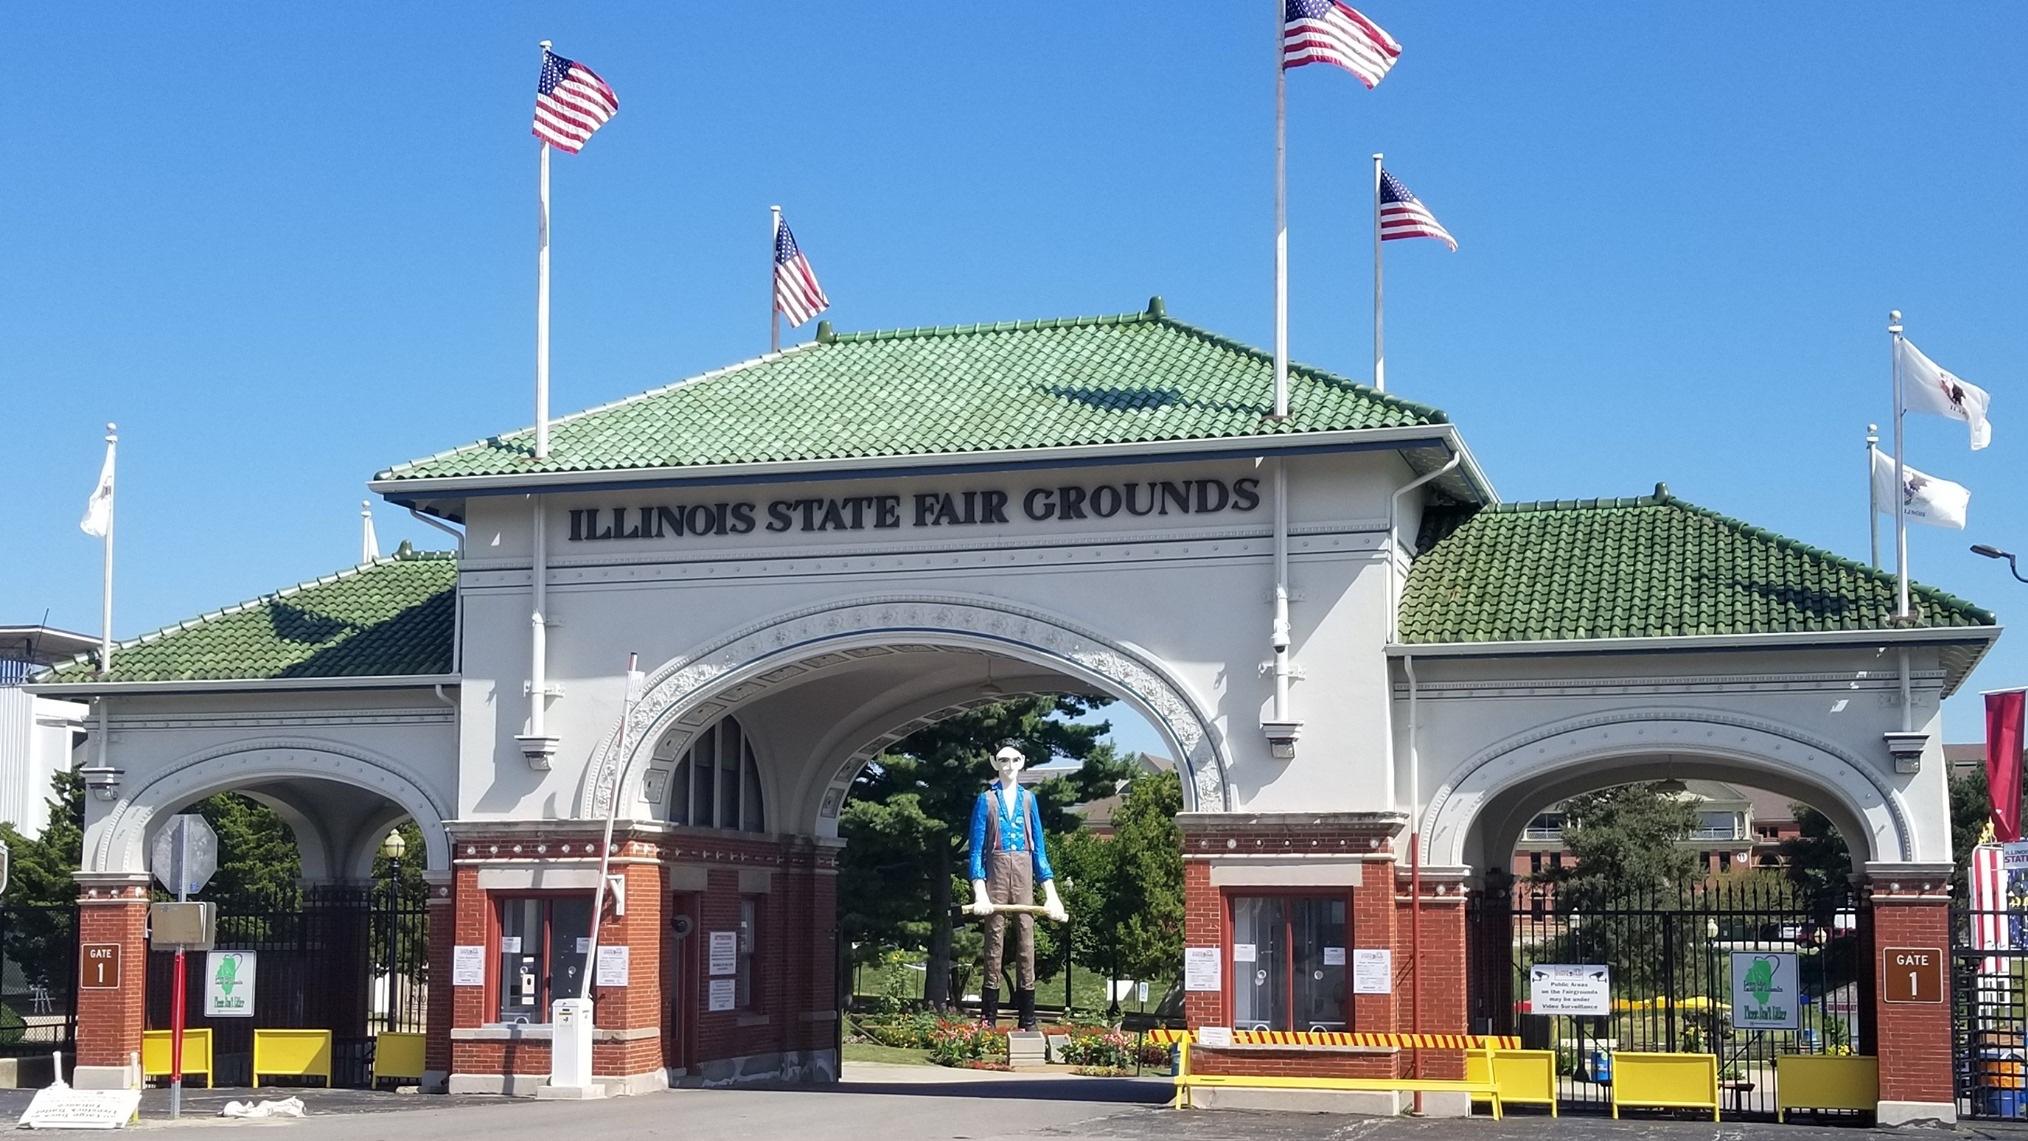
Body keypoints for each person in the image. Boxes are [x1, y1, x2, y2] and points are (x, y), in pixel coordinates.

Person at [965, 745, 1066, 1030]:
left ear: (1022, 762)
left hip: (1023, 870)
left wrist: (1052, 895)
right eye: (1003, 760)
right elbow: (976, 849)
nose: (1008, 765)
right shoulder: (986, 800)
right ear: (994, 763)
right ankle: (989, 1017)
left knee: (1026, 941)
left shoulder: (1029, 800)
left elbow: (1039, 850)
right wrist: (980, 890)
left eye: (1013, 760)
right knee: (994, 942)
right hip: (995, 870)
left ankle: (1028, 1017)